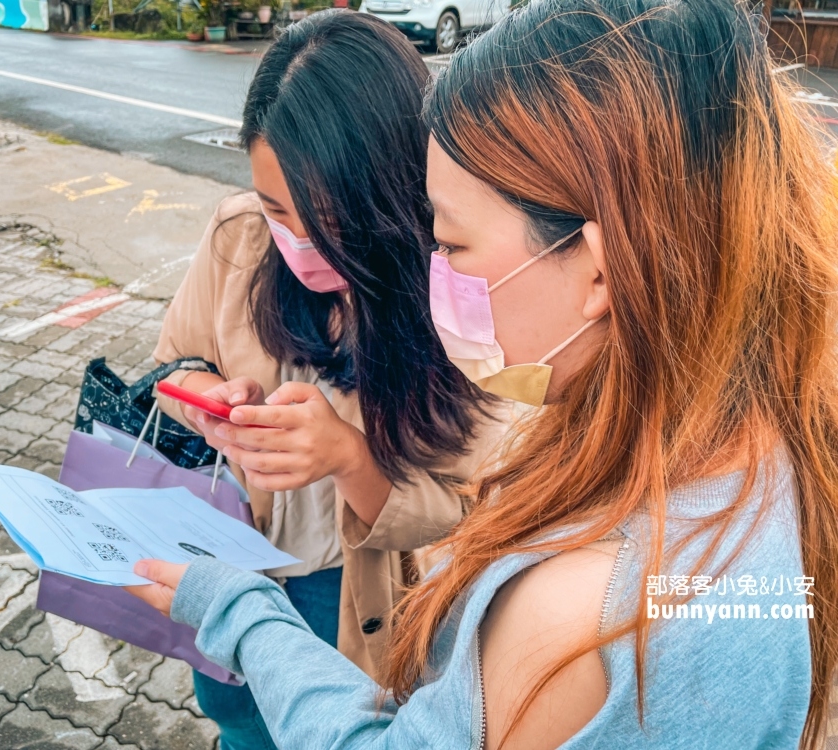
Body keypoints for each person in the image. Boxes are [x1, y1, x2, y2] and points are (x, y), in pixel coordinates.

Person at [129, 0, 838, 747]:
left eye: (452, 245)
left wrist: (245, 605)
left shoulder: (563, 613)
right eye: (278, 209)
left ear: (598, 273)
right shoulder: (764, 453)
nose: (440, 279)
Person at [150, 10, 508, 750]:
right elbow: (175, 364)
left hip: (343, 590)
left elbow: (474, 515)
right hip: (231, 547)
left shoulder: (461, 296)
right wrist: (207, 401)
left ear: (394, 193)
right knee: (235, 719)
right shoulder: (240, 238)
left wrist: (349, 456)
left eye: (333, 219)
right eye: (281, 209)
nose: (300, 242)